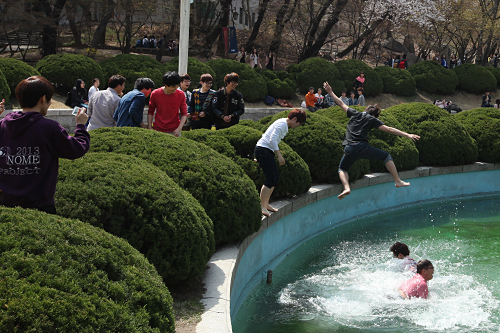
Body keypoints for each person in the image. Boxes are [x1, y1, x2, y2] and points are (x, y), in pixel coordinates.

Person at [0, 76, 89, 214]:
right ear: (43, 99)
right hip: (40, 207)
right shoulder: (48, 128)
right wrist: (81, 126)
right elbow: (76, 149)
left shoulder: (3, 125)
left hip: (5, 205)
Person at [323, 81, 420, 200]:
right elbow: (389, 129)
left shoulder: (354, 113)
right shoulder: (372, 119)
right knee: (386, 156)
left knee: (342, 169)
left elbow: (340, 103)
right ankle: (398, 180)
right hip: (362, 147)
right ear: (374, 115)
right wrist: (407, 135)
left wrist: (330, 92)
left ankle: (347, 187)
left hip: (349, 148)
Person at [255, 109, 306, 216]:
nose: (299, 126)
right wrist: (279, 156)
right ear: (294, 119)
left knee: (275, 178)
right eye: (299, 123)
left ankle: (266, 203)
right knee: (270, 178)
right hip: (263, 150)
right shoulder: (282, 124)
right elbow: (272, 140)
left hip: (265, 151)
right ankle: (261, 206)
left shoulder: (284, 124)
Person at [148, 71, 187, 137]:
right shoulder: (155, 94)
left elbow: (184, 113)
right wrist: (149, 127)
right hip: (158, 129)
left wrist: (179, 128)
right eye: (173, 86)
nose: (175, 88)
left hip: (175, 130)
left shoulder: (181, 94)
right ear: (165, 85)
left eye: (177, 85)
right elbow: (150, 112)